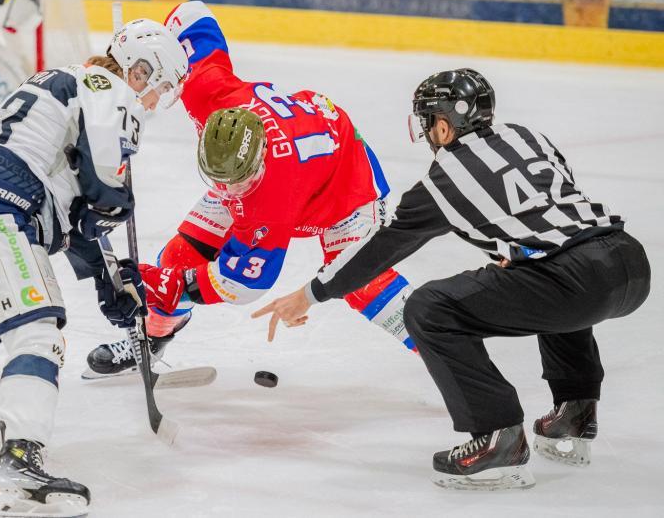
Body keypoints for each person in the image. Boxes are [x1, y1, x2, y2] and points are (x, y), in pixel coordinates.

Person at [252, 68, 651, 490]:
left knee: (429, 308)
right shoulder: (526, 136)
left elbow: (379, 249)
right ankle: (575, 412)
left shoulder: (443, 180)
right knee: (547, 265)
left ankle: (498, 438)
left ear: (443, 126)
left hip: (576, 283)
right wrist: (519, 255)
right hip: (629, 261)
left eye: (427, 122)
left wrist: (311, 294)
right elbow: (554, 213)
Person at [0, 19, 187, 516]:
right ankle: (19, 466)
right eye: (161, 87)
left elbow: (74, 216)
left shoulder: (67, 82)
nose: (155, 102)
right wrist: (117, 204)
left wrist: (110, 281)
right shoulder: (109, 88)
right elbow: (103, 191)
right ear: (140, 71)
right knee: (39, 330)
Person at [85, 0, 414, 379]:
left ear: (255, 169)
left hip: (346, 187)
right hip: (277, 163)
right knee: (178, 257)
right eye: (221, 181)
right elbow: (191, 14)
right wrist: (133, 70)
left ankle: (448, 347)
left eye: (237, 185)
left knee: (362, 284)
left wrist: (178, 287)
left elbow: (245, 281)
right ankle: (153, 336)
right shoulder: (207, 91)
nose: (228, 193)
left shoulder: (268, 202)